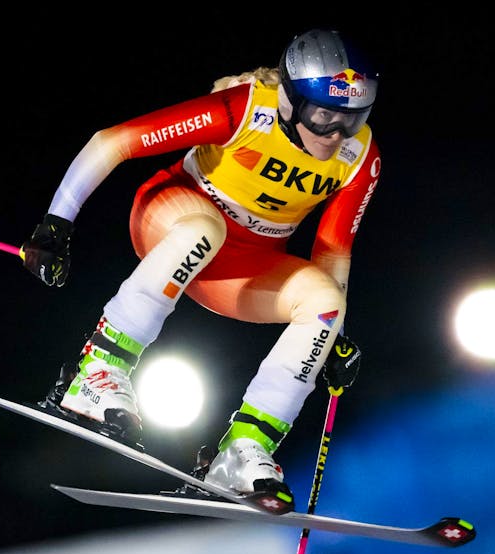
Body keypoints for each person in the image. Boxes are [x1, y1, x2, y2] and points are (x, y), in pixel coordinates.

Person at [19, 29, 375, 515]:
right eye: (323, 116)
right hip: (173, 219)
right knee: (205, 229)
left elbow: (333, 252)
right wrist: (56, 224)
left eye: (351, 119)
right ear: (291, 100)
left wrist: (332, 338)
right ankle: (96, 372)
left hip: (241, 268)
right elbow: (113, 142)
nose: (335, 134)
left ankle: (241, 452)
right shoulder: (248, 109)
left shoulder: (360, 158)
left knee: (326, 302)